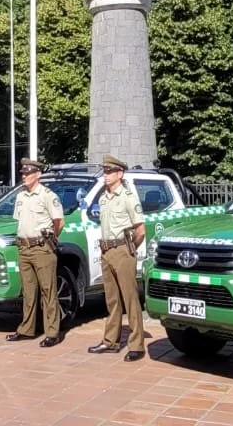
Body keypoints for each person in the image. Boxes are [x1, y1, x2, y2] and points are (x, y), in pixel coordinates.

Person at [87, 155, 146, 361]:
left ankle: (136, 344)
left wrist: (129, 249)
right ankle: (110, 341)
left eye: (110, 172)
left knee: (130, 298)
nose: (106, 175)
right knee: (111, 299)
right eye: (104, 171)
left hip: (122, 250)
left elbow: (140, 230)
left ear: (120, 174)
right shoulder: (104, 197)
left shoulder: (128, 197)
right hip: (106, 251)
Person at [6, 158, 65, 347]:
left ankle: (52, 332)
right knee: (29, 291)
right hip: (24, 247)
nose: (23, 176)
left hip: (42, 248)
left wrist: (49, 239)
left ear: (37, 175)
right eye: (22, 173)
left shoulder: (47, 195)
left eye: (27, 173)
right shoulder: (21, 196)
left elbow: (59, 221)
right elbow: (19, 220)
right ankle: (27, 329)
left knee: (48, 290)